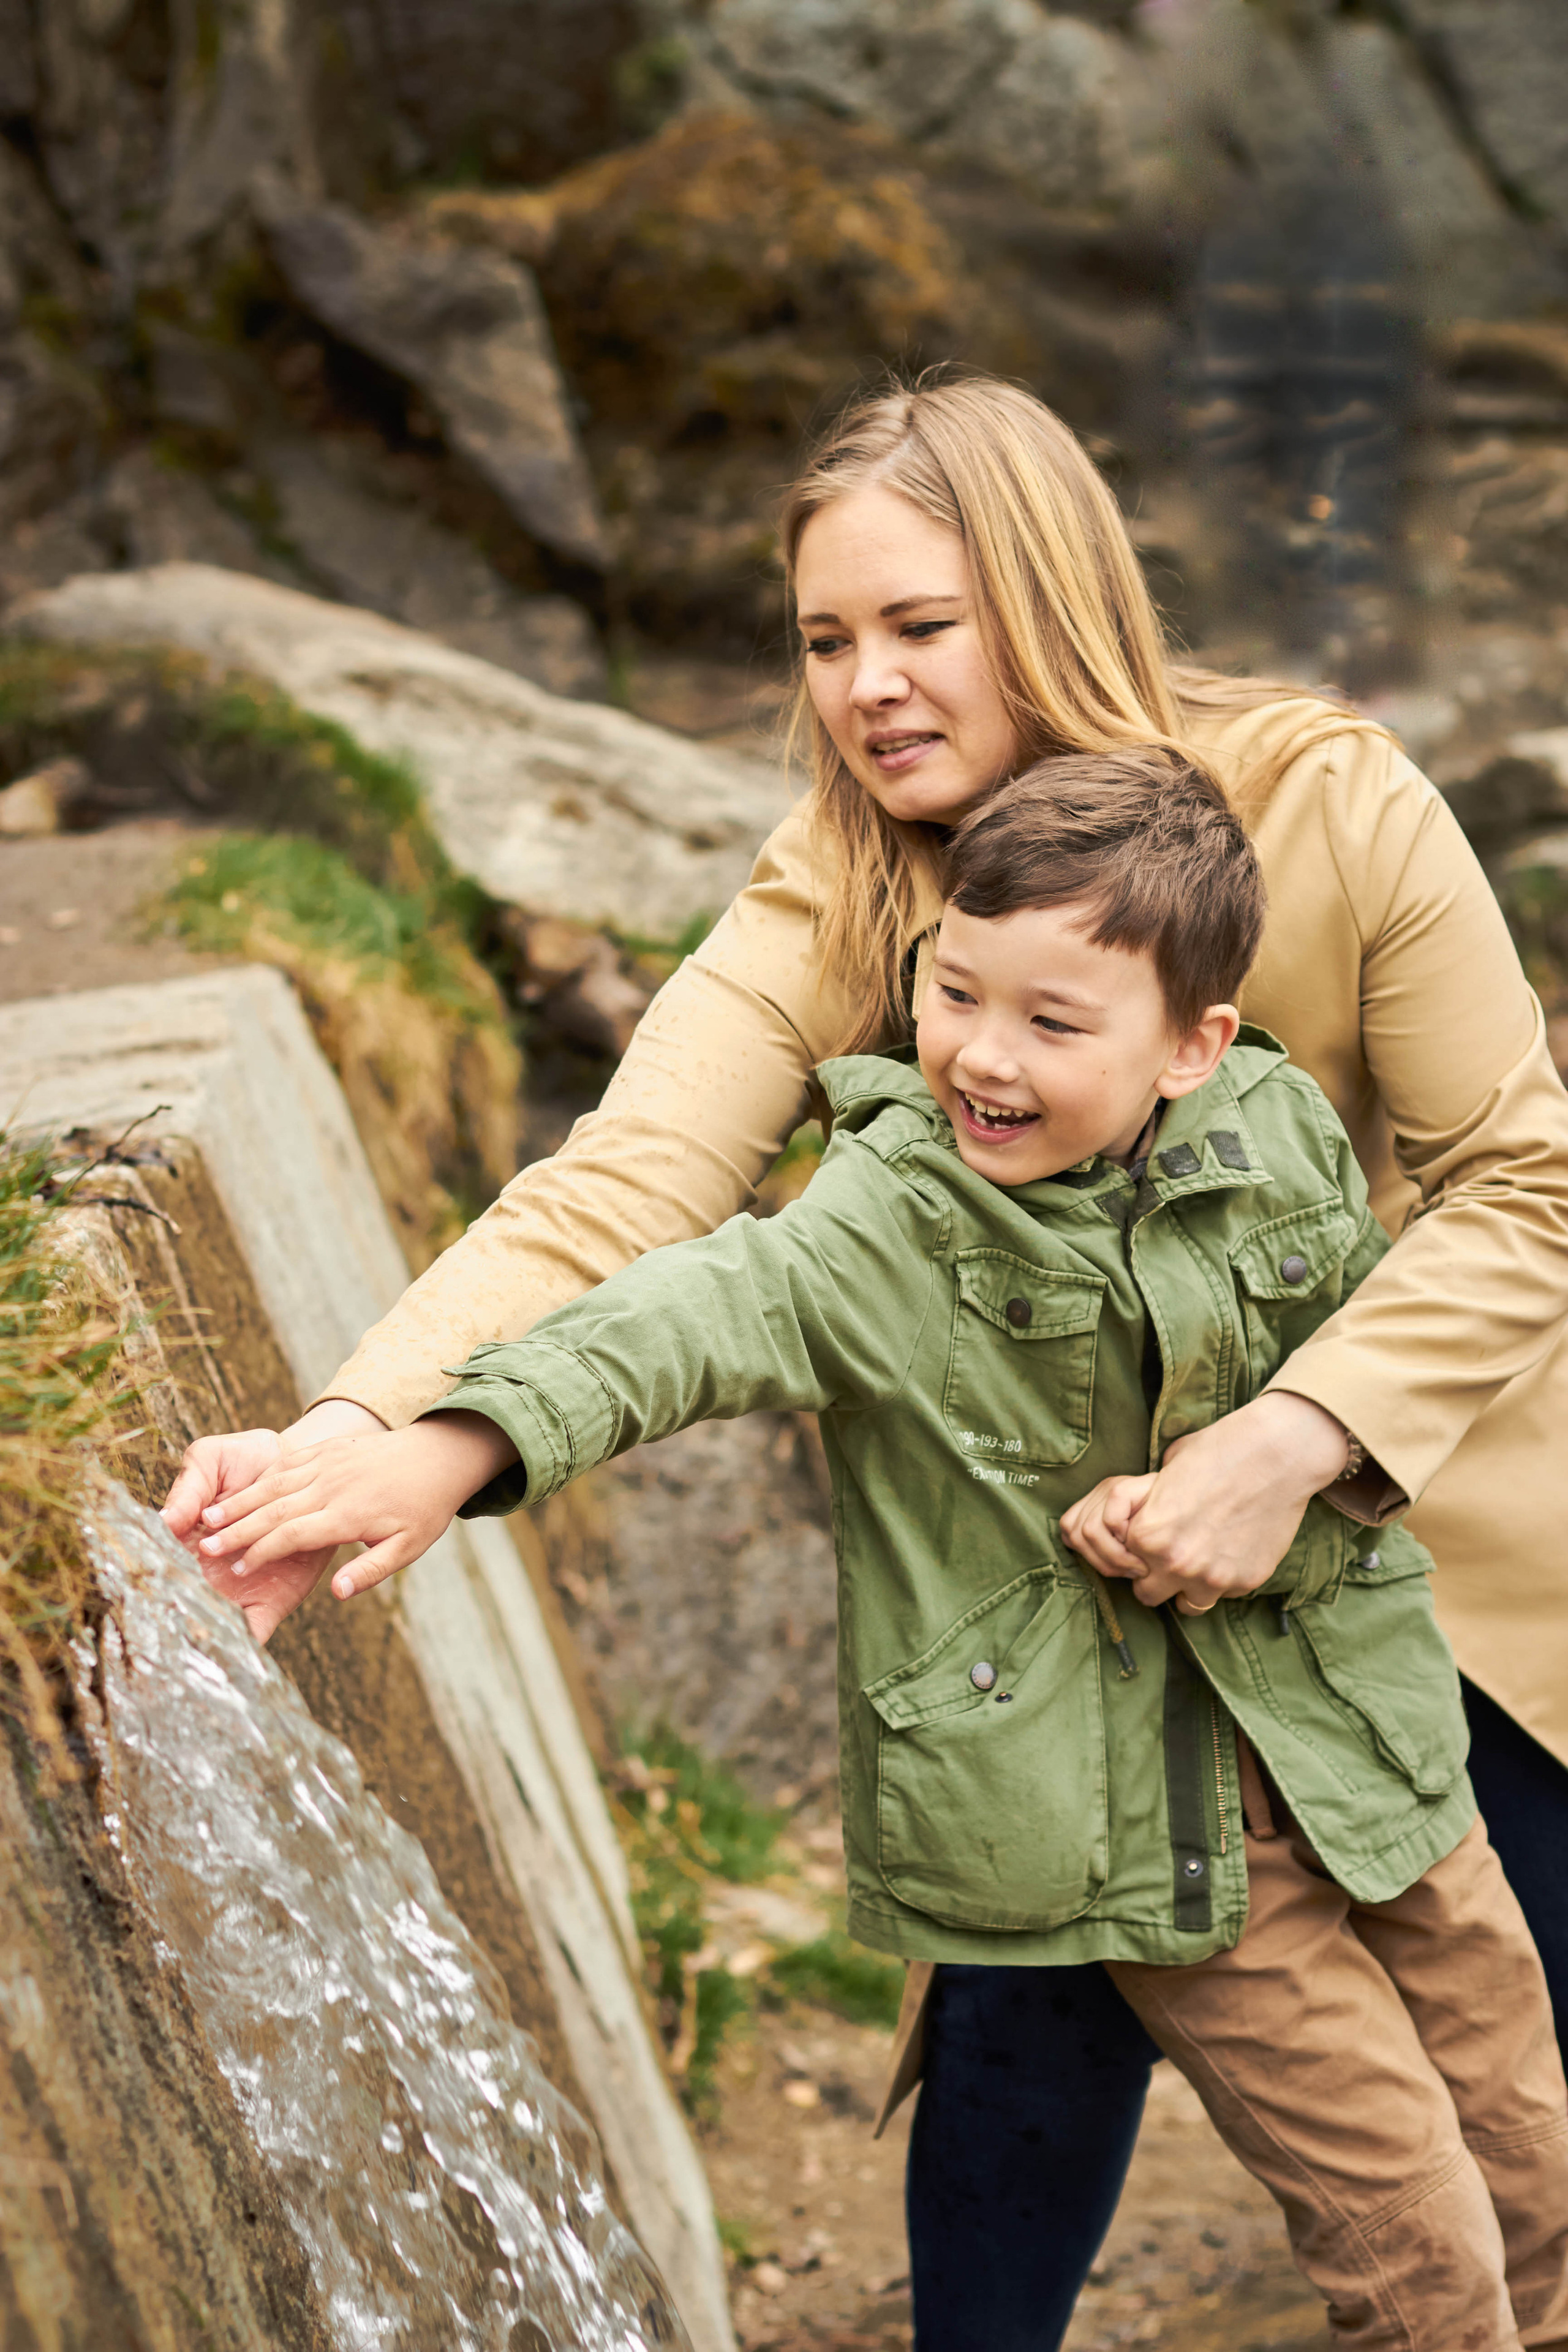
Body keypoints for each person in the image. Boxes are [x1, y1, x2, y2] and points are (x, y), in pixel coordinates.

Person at [165, 374, 1568, 2341]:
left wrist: (1292, 1442)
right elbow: (626, 1195)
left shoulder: (1327, 797)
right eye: (826, 639)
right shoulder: (840, 888)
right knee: (1024, 2018)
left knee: (1522, 2084)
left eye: (921, 625)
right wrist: (361, 1424)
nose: (867, 686)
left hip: (1422, 1559)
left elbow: (1528, 1184)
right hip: (1060, 1600)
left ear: (1054, 594)